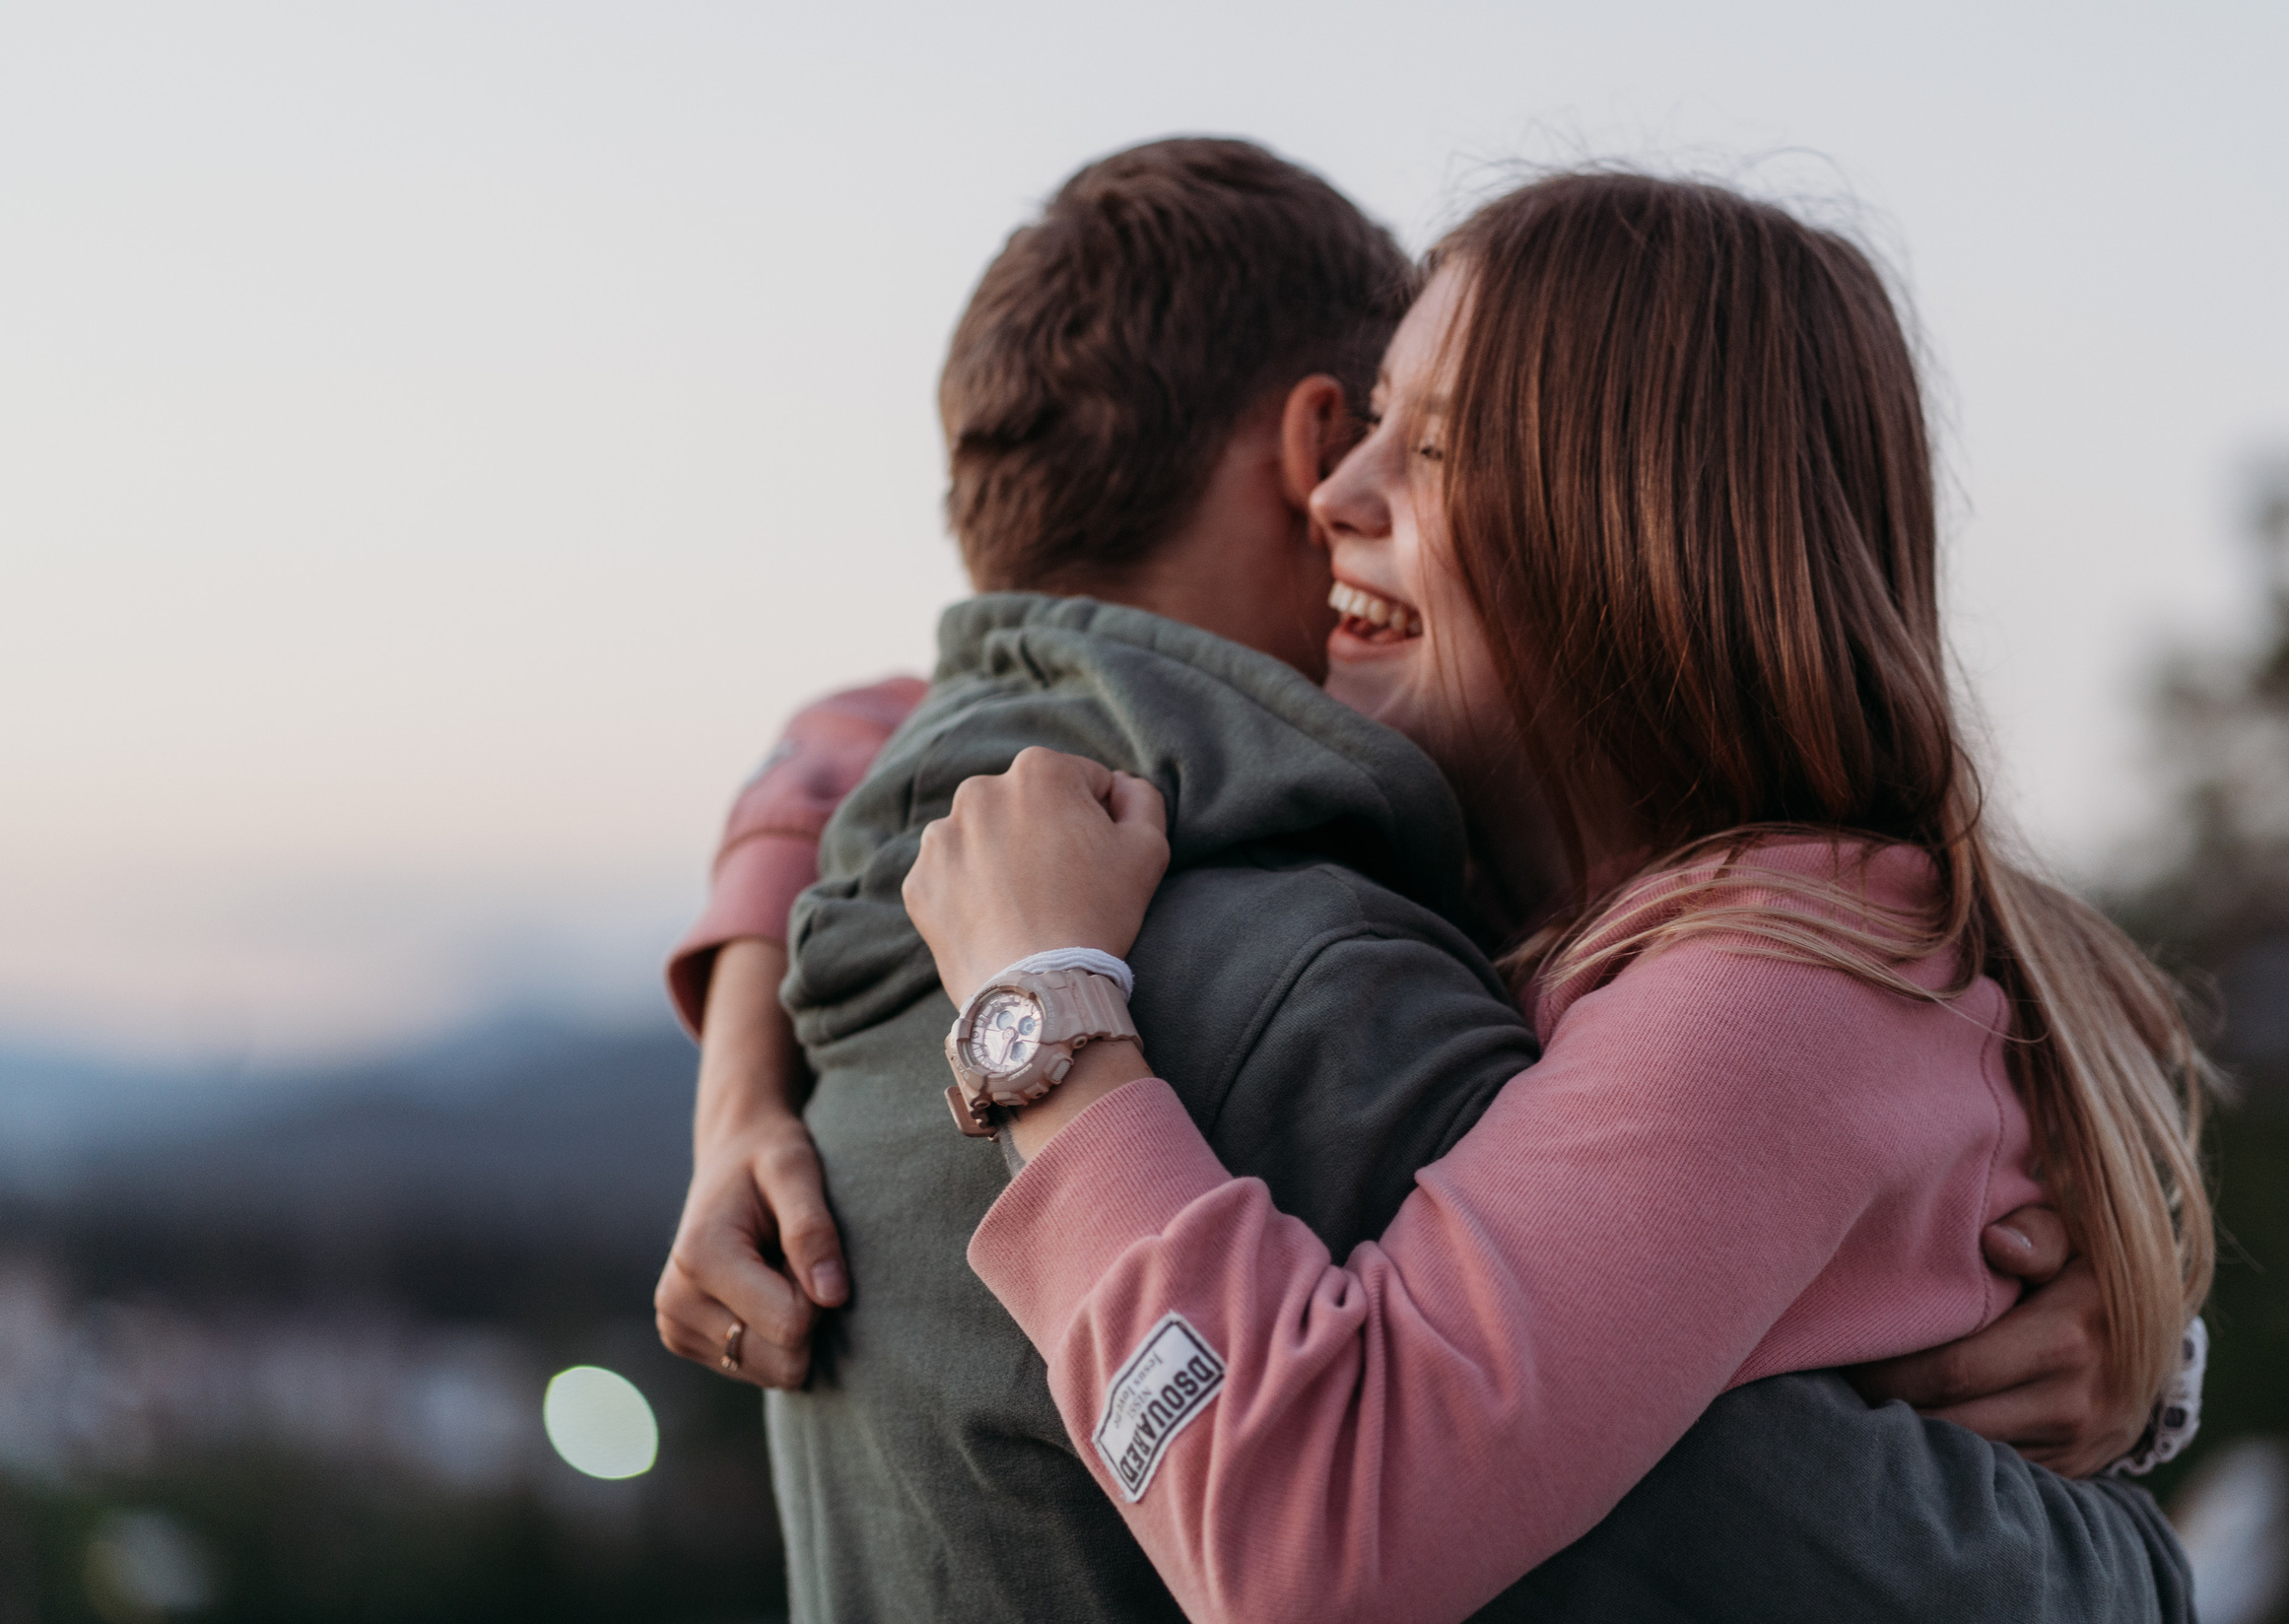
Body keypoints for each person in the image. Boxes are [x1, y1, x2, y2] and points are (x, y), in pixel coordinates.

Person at [654, 141, 2197, 1622]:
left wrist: (1044, 1010)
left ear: (1627, 521)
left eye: (1434, 444)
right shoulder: (1558, 913)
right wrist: (736, 1069)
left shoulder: (1759, 989)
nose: (1333, 493)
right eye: (1362, 427)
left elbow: (1319, 1539)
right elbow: (933, 705)